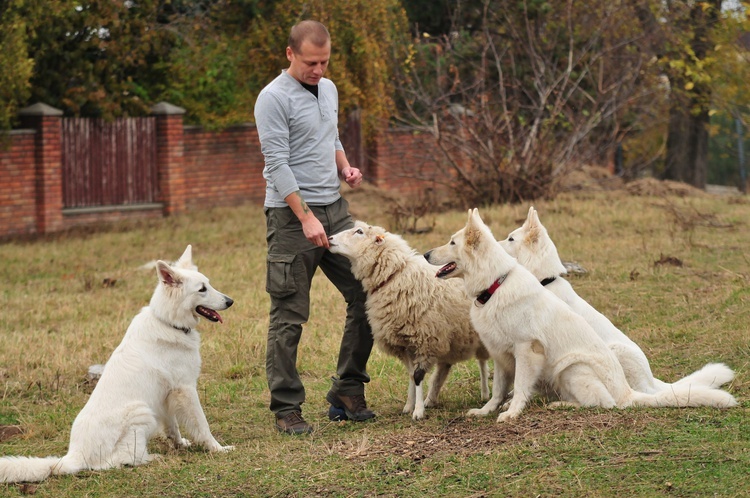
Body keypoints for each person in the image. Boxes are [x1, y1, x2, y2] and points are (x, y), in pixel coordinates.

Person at [254, 20, 376, 435]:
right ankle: (287, 407)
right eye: (310, 62)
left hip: (336, 211)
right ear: (290, 54)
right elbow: (277, 163)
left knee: (368, 295)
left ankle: (347, 388)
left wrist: (345, 168)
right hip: (291, 218)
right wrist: (305, 217)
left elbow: (331, 137)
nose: (318, 70)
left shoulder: (329, 88)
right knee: (289, 313)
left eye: (324, 61)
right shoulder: (272, 99)